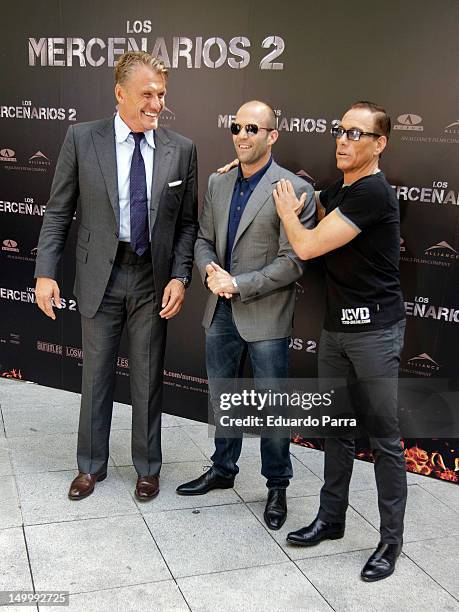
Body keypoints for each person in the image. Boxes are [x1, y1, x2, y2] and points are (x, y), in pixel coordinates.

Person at [34, 51, 198, 502]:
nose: (156, 104)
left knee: (147, 377)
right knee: (97, 375)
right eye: (147, 94)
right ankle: (90, 466)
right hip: (99, 276)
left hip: (151, 278)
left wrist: (180, 276)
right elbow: (58, 212)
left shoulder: (180, 149)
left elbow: (187, 224)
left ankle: (148, 468)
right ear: (119, 93)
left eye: (161, 94)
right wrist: (45, 272)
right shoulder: (82, 139)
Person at [273, 101, 407, 581]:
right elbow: (308, 194)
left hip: (373, 330)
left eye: (356, 133)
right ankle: (332, 519)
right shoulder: (343, 188)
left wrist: (288, 213)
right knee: (335, 428)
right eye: (340, 130)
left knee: (386, 440)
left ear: (379, 143)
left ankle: (391, 542)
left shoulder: (373, 193)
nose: (343, 140)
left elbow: (306, 245)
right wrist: (246, 167)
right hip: (336, 330)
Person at [176, 100, 315, 530]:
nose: (242, 135)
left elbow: (293, 262)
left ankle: (276, 485)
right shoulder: (219, 183)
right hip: (219, 310)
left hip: (266, 316)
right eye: (237, 126)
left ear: (272, 136)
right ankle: (223, 468)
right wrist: (209, 270)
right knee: (225, 396)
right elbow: (201, 238)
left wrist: (239, 283)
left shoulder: (293, 190)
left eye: (253, 128)